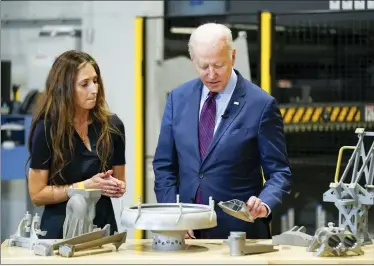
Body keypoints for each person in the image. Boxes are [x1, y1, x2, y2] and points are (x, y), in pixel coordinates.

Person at [153, 23, 292, 239]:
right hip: (186, 235)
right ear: (193, 61)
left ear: (233, 56)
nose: (211, 74)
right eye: (203, 66)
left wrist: (264, 203)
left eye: (219, 65)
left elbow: (280, 173)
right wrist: (174, 216)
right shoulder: (177, 99)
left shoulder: (261, 105)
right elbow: (164, 166)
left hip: (240, 234)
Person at [27, 50, 126, 239]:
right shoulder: (47, 129)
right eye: (84, 84)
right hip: (59, 233)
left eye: (95, 81)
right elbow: (37, 194)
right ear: (64, 89)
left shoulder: (113, 126)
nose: (94, 89)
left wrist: (115, 186)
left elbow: (121, 182)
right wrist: (83, 187)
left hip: (103, 229)